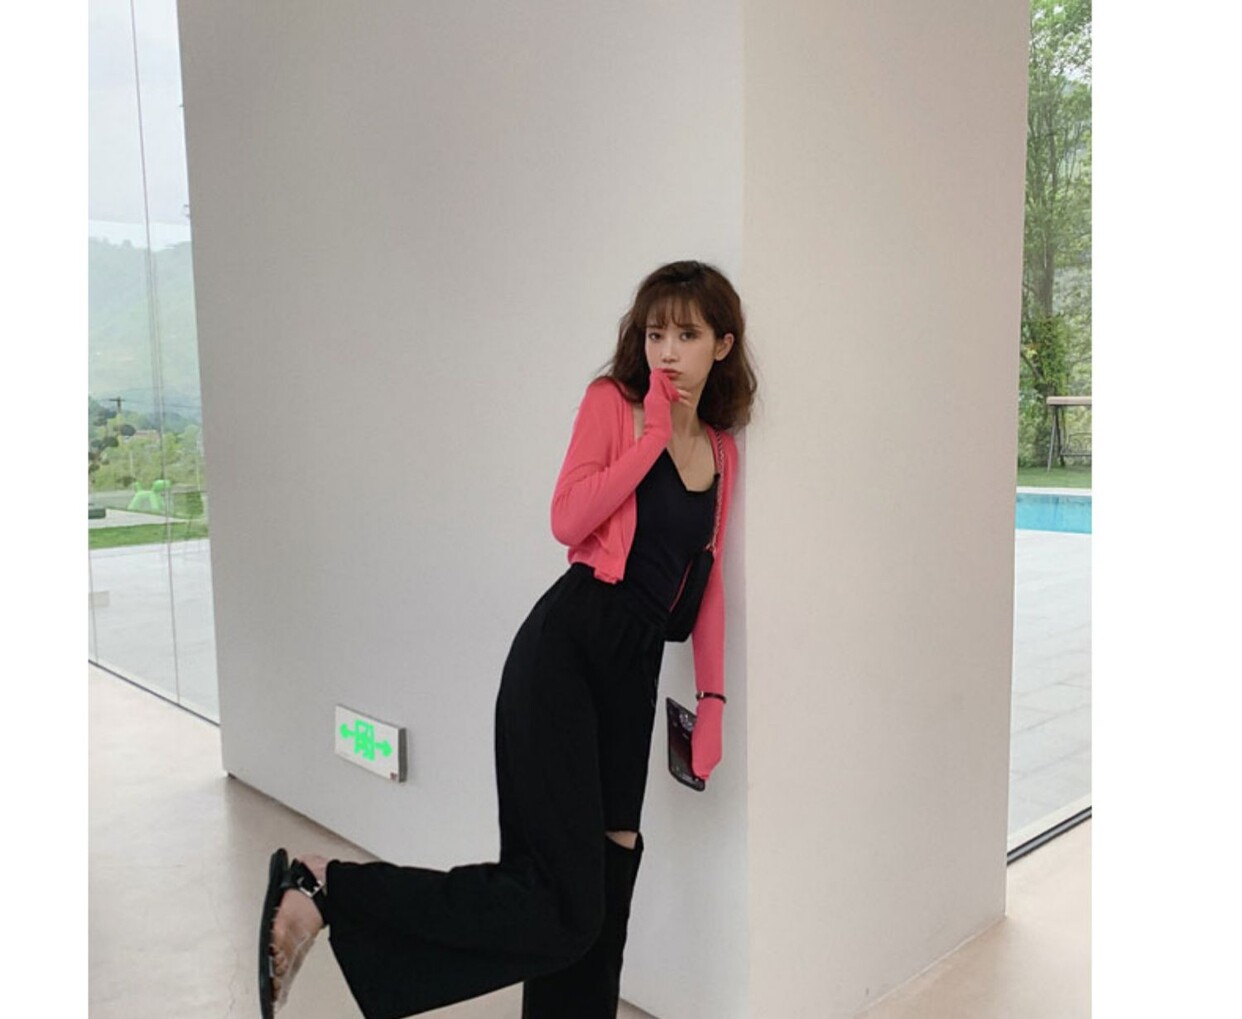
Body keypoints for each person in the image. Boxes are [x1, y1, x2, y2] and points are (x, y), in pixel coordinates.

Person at [260, 260, 757, 1019]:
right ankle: (329, 886)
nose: (666, 351)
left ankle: (332, 893)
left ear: (721, 345)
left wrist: (713, 698)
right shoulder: (615, 406)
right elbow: (567, 519)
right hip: (567, 649)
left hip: (634, 670)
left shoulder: (722, 451)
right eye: (655, 333)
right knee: (559, 899)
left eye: (686, 335)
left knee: (605, 889)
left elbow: (708, 575)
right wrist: (652, 437)